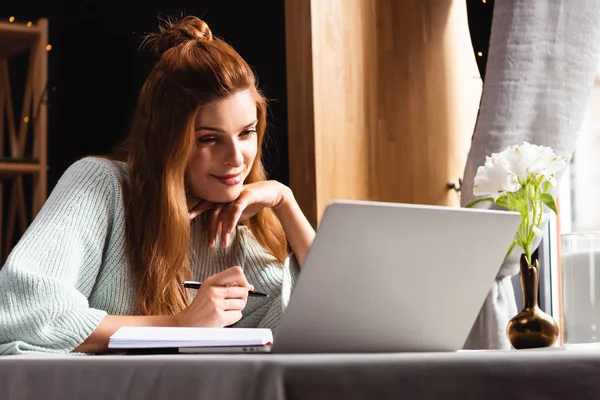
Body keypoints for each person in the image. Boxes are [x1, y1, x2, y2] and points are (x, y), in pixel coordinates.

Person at [0, 14, 315, 355]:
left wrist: (286, 202)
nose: (236, 158)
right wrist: (181, 325)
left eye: (246, 133)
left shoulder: (241, 216)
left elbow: (323, 319)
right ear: (167, 139)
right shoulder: (100, 185)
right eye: (209, 139)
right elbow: (26, 312)